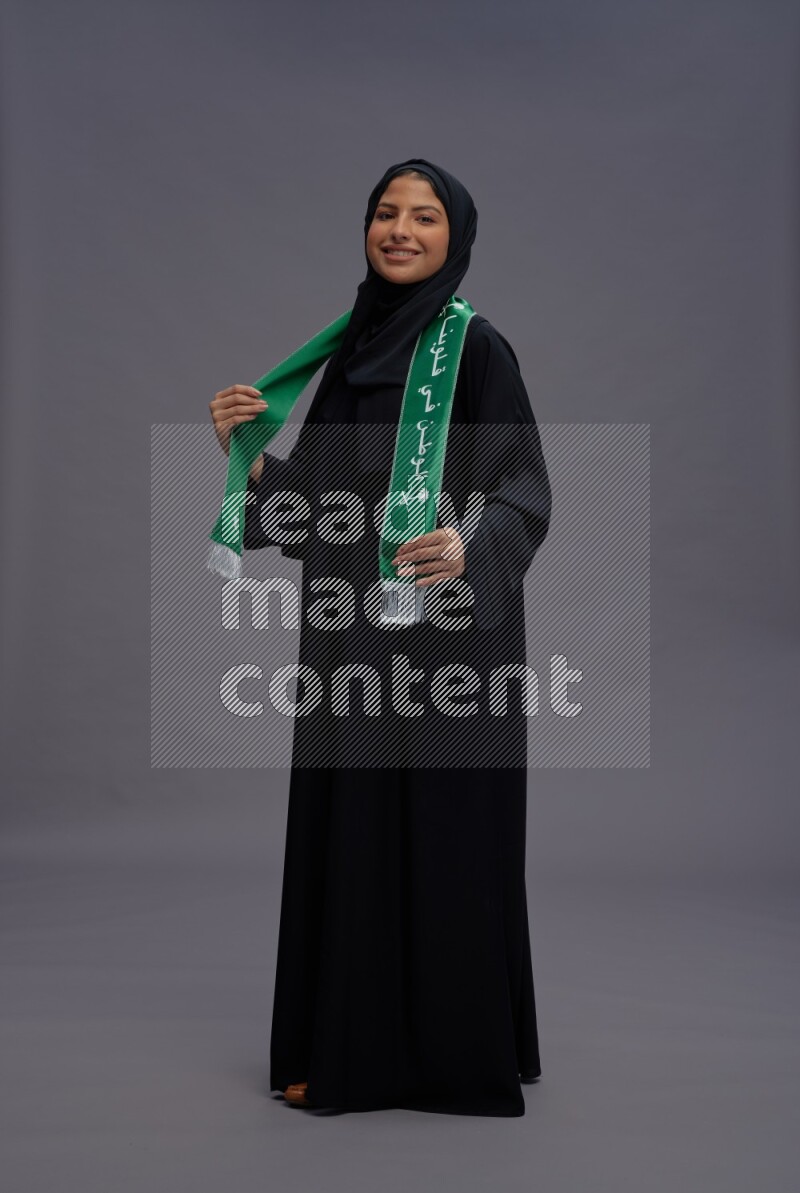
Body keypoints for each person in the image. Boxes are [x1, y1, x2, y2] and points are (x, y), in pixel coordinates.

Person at [209, 158, 552, 1116]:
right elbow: (312, 510)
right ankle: (345, 1044)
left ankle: (458, 1055)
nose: (400, 230)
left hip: (453, 643)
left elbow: (526, 489)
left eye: (425, 216)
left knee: (450, 838)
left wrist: (470, 538)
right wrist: (240, 452)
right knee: (351, 830)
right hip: (352, 644)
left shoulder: (476, 350)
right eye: (385, 213)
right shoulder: (352, 350)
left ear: (457, 237)